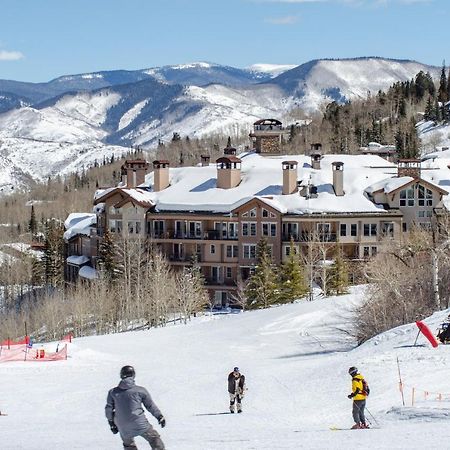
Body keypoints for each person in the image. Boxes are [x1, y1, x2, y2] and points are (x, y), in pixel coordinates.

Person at [105, 365, 166, 449]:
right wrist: (159, 416)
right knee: (154, 439)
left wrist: (111, 423)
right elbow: (150, 405)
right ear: (133, 375)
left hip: (122, 425)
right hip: (139, 423)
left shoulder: (113, 392)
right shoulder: (140, 390)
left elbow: (109, 409)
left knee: (128, 444)